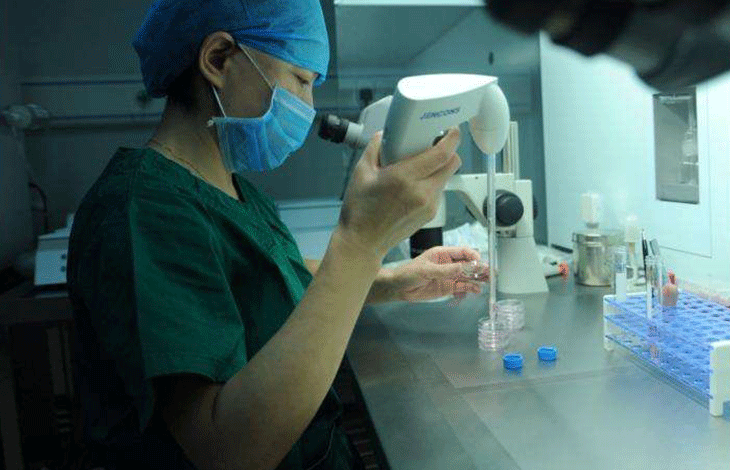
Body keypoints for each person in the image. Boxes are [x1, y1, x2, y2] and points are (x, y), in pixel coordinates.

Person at [67, 1, 485, 469]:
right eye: (300, 81)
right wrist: (361, 243)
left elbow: (272, 272)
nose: (309, 108)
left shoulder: (237, 191)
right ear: (218, 59)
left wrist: (391, 279)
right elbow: (227, 452)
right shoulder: (143, 211)